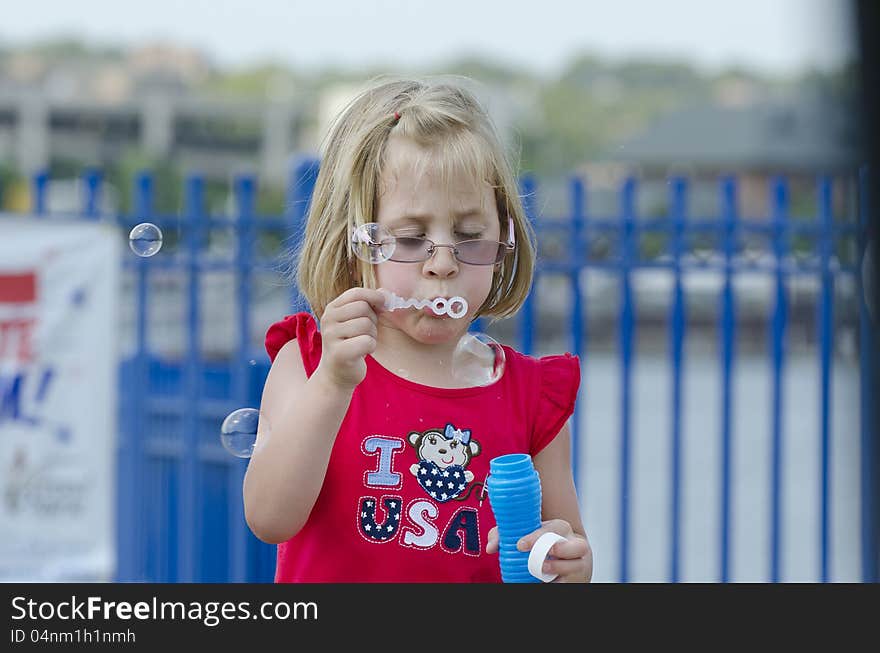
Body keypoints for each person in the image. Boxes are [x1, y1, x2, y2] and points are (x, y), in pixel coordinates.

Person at [243, 76, 592, 582]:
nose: (443, 262)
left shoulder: (533, 397)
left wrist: (565, 563)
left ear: (504, 240)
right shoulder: (311, 364)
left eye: (470, 236)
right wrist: (334, 384)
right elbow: (269, 518)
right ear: (353, 243)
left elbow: (564, 563)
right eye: (410, 238)